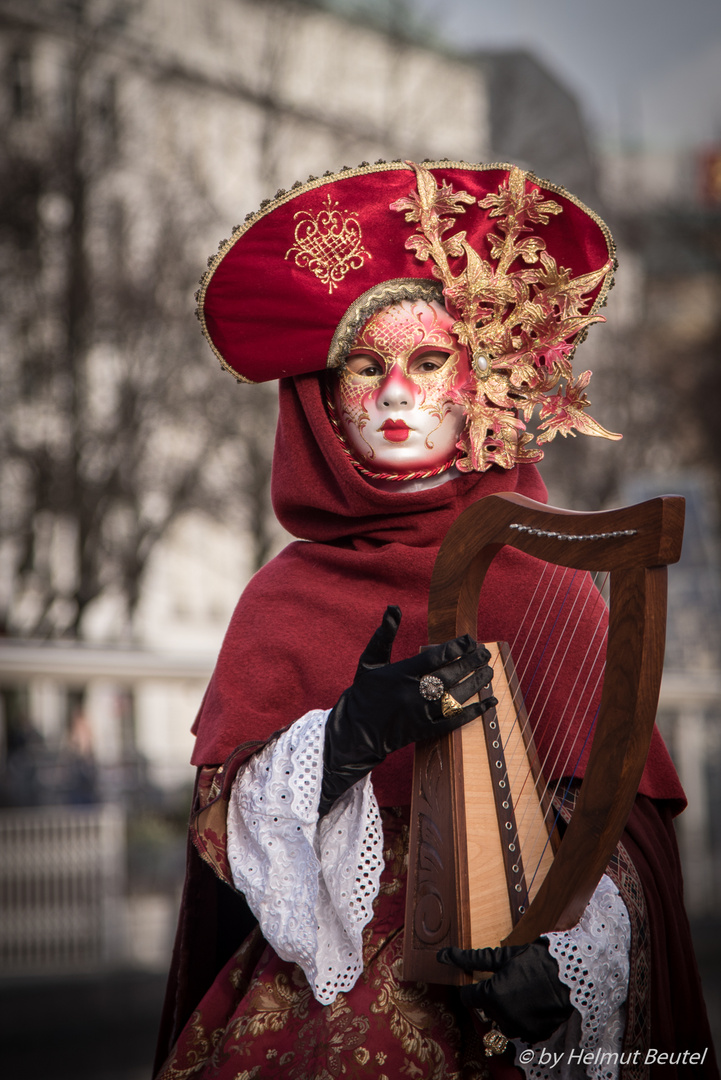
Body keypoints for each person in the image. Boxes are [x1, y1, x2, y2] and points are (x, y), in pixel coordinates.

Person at [153, 161, 717, 1079]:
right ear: (319, 403)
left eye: (427, 362)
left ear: (481, 384)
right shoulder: (280, 600)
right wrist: (342, 737)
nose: (394, 395)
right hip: (319, 992)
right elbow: (225, 836)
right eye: (364, 367)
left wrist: (564, 958)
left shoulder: (548, 581)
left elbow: (626, 830)